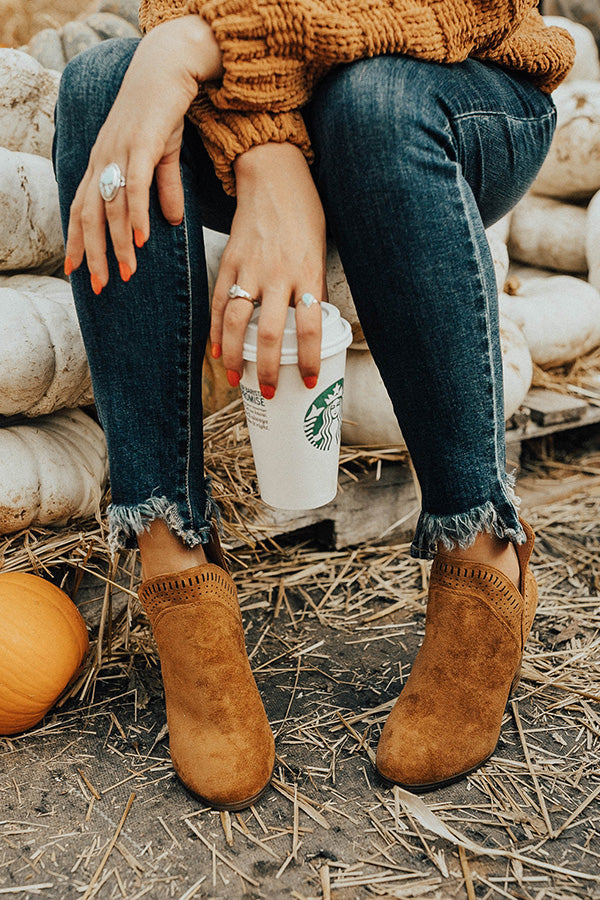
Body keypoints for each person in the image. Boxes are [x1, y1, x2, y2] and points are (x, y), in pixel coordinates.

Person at [53, 0, 574, 810]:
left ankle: (484, 551)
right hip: (260, 99)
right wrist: (264, 149)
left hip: (453, 83)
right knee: (101, 85)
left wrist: (197, 46)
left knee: (372, 101)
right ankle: (174, 564)